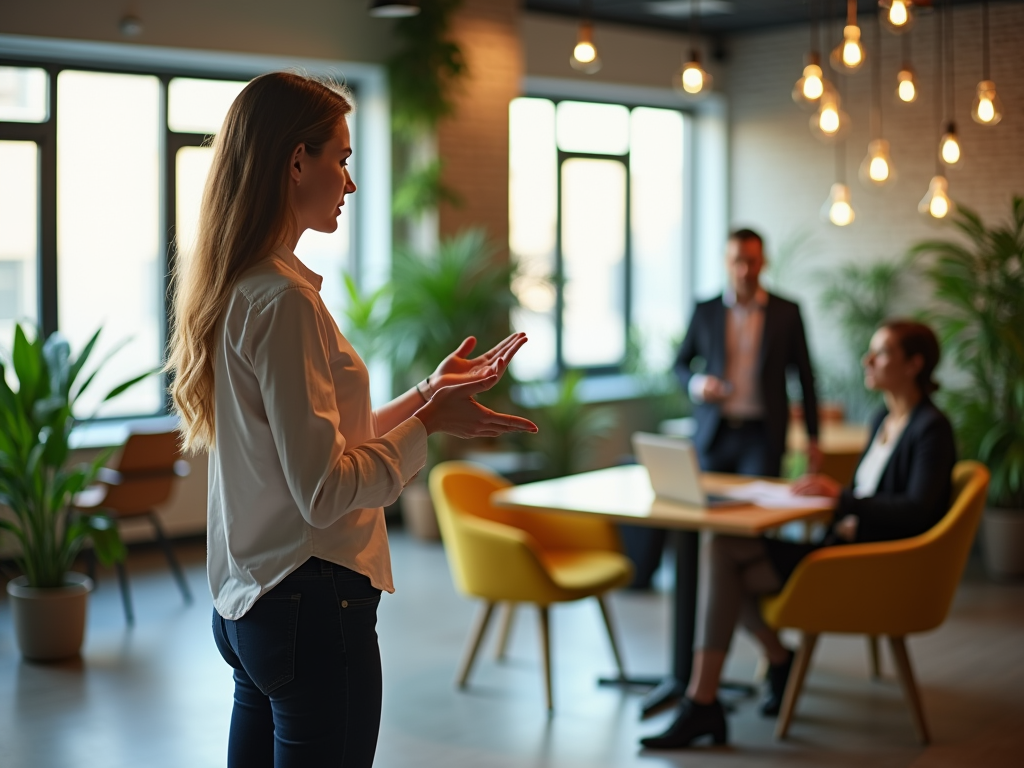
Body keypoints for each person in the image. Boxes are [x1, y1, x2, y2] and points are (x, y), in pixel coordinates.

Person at [165, 72, 537, 768]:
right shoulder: (285, 302)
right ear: (295, 160)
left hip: (255, 605)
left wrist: (428, 397)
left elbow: (325, 439)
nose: (351, 182)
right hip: (312, 604)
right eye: (341, 159)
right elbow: (327, 489)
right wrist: (427, 427)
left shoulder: (242, 288)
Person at [641, 319, 957, 749]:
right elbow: (866, 496)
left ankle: (713, 696)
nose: (868, 360)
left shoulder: (930, 428)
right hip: (840, 547)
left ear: (914, 364)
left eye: (881, 353)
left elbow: (918, 511)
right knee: (723, 551)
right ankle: (731, 684)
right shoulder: (883, 417)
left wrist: (839, 498)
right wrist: (823, 497)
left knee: (725, 563)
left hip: (867, 564)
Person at [624, 229, 821, 589]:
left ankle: (748, 605)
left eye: (752, 261)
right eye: (737, 261)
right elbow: (680, 365)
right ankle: (708, 597)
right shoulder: (706, 310)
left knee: (751, 524)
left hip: (762, 434)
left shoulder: (786, 312)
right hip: (715, 433)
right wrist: (699, 385)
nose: (745, 270)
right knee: (702, 518)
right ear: (725, 263)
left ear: (764, 262)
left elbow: (805, 378)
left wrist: (813, 437)